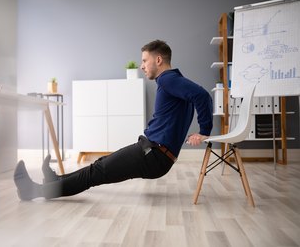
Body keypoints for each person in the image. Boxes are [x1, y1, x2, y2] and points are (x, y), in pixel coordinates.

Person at [14, 39, 213, 200]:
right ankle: (55, 180)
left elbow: (202, 96)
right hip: (152, 151)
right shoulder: (173, 81)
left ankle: (34, 191)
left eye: (145, 61)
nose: (142, 66)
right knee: (98, 166)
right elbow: (196, 98)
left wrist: (204, 130)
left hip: (155, 154)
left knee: (96, 172)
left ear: (158, 60)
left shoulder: (169, 79)